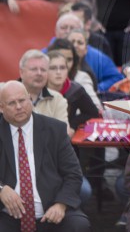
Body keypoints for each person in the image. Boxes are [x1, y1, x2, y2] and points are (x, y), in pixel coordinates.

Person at [0, 81, 91, 232]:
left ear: (29, 99)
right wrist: (1, 188)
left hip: (52, 209)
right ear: (1, 108)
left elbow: (73, 174)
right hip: (7, 215)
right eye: (11, 103)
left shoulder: (55, 130)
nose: (18, 106)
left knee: (79, 226)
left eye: (22, 100)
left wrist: (61, 204)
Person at [18, 50, 71, 136]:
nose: (39, 73)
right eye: (34, 69)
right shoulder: (5, 94)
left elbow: (63, 133)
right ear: (21, 72)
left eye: (43, 70)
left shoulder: (57, 99)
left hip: (49, 149)